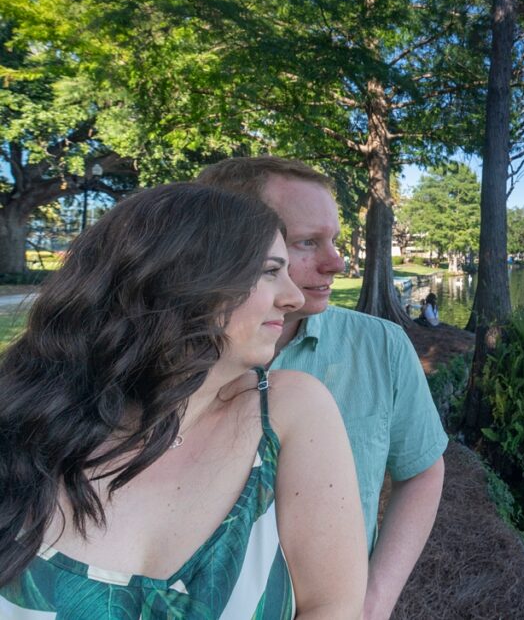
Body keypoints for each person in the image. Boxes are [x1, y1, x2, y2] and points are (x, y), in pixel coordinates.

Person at [0, 184, 367, 619]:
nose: (293, 297)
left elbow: (333, 607)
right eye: (270, 271)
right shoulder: (24, 417)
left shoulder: (289, 413)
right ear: (183, 278)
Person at [197, 157, 447, 620]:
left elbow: (423, 472)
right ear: (223, 244)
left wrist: (372, 603)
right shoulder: (162, 368)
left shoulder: (381, 347)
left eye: (332, 239)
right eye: (306, 242)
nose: (336, 262)